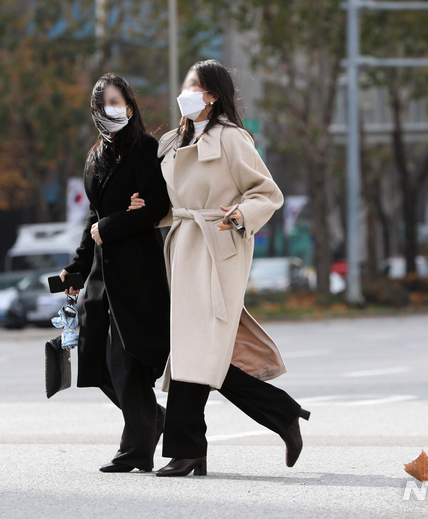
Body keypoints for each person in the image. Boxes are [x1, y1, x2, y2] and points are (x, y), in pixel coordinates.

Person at [129, 59, 310, 477]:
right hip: (182, 245)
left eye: (194, 87)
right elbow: (171, 203)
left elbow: (267, 192)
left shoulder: (232, 139)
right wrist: (146, 210)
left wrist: (241, 216)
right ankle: (278, 414)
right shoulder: (171, 142)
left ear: (211, 95)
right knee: (198, 350)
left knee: (196, 348)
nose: (185, 93)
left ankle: (188, 449)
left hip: (218, 246)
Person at [59, 73, 171, 473]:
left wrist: (112, 226)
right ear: (96, 109)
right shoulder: (96, 155)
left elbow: (156, 204)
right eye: (107, 102)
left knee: (128, 360)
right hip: (102, 274)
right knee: (96, 361)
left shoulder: (144, 146)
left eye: (121, 101)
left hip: (137, 269)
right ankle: (151, 421)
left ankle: (136, 447)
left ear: (130, 105)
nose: (116, 109)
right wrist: (77, 267)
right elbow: (95, 214)